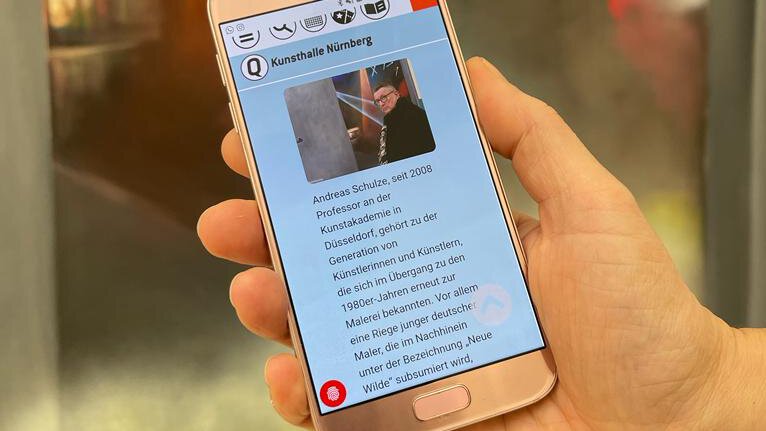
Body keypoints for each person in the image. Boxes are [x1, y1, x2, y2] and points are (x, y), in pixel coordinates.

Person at [198, 58, 766, 430]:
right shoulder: (394, 124)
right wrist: (708, 390)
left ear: (397, 92)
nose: (382, 100)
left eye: (387, 94)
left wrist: (707, 389)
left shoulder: (413, 120)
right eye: (380, 96)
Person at [373, 82, 436, 164]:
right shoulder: (389, 119)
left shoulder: (412, 114)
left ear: (396, 94)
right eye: (377, 101)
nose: (381, 104)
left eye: (383, 98)